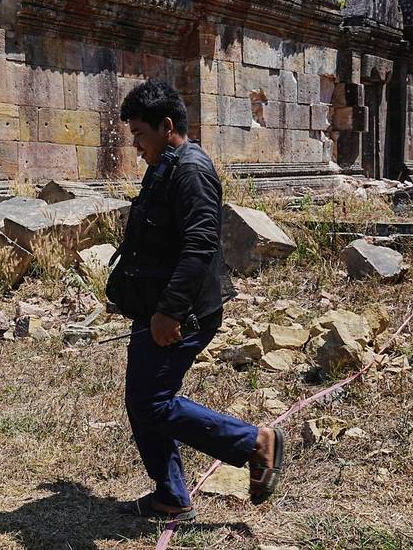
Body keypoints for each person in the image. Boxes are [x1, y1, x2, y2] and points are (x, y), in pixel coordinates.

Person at [110, 79, 284, 521]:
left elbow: (200, 245)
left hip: (182, 313)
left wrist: (169, 311)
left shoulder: (191, 170)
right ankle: (171, 495)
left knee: (152, 401)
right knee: (143, 399)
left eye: (141, 136)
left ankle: (253, 443)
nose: (137, 147)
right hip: (157, 309)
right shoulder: (165, 165)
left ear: (167, 126)